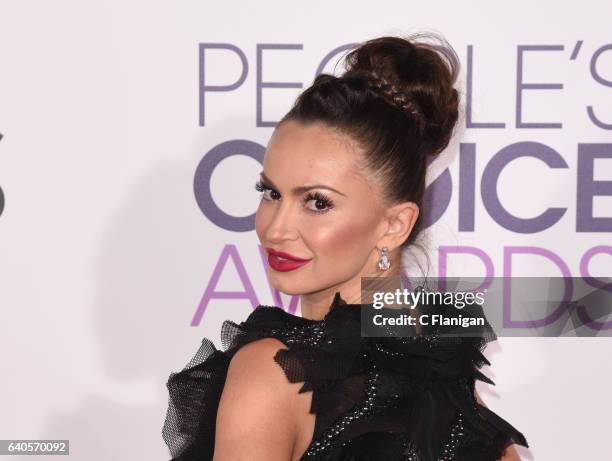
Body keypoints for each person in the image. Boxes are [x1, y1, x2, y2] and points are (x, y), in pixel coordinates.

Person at [161, 33, 529, 461]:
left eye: (317, 202)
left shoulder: (277, 371)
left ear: (394, 225)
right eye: (270, 192)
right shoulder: (445, 365)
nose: (275, 229)